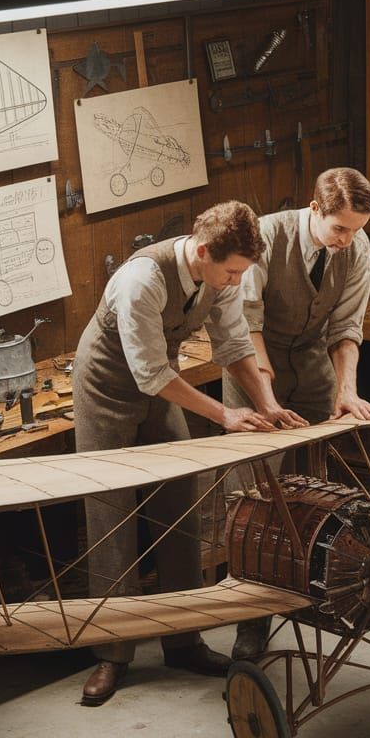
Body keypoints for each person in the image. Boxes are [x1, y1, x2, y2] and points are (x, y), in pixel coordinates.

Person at [73, 201, 306, 706]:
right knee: (111, 517)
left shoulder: (224, 274)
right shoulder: (142, 279)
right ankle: (112, 655)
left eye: (242, 272)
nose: (236, 281)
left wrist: (268, 404)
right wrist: (225, 416)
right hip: (108, 389)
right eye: (231, 271)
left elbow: (233, 343)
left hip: (163, 389)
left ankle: (184, 640)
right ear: (202, 251)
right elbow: (148, 374)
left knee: (180, 506)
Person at [224, 168, 370, 662]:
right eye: (339, 228)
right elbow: (246, 326)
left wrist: (346, 393)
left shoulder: (355, 246)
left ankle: (317, 595)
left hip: (311, 363)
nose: (347, 239)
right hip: (253, 363)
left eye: (357, 229)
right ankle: (250, 625)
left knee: (316, 488)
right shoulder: (265, 237)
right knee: (254, 497)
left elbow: (347, 329)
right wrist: (266, 403)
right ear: (314, 210)